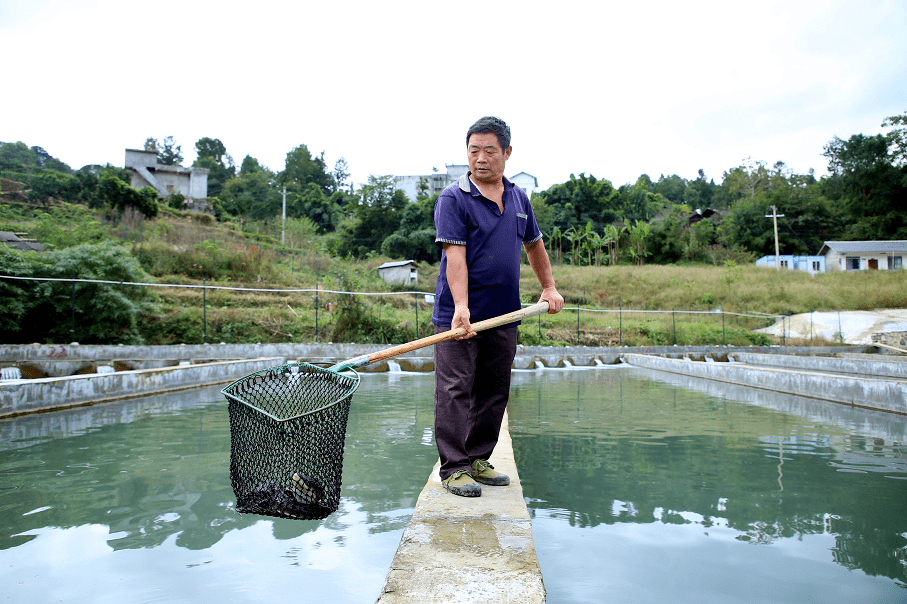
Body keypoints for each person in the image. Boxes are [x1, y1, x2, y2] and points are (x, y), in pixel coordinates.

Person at [431, 116, 564, 497]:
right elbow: (454, 257)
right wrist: (461, 307)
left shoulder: (520, 198)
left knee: (494, 388)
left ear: (507, 153)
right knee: (455, 388)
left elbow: (534, 244)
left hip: (504, 314)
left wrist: (549, 287)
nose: (481, 158)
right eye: (474, 151)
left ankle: (477, 458)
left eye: (490, 150)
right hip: (459, 316)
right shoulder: (453, 199)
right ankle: (454, 467)